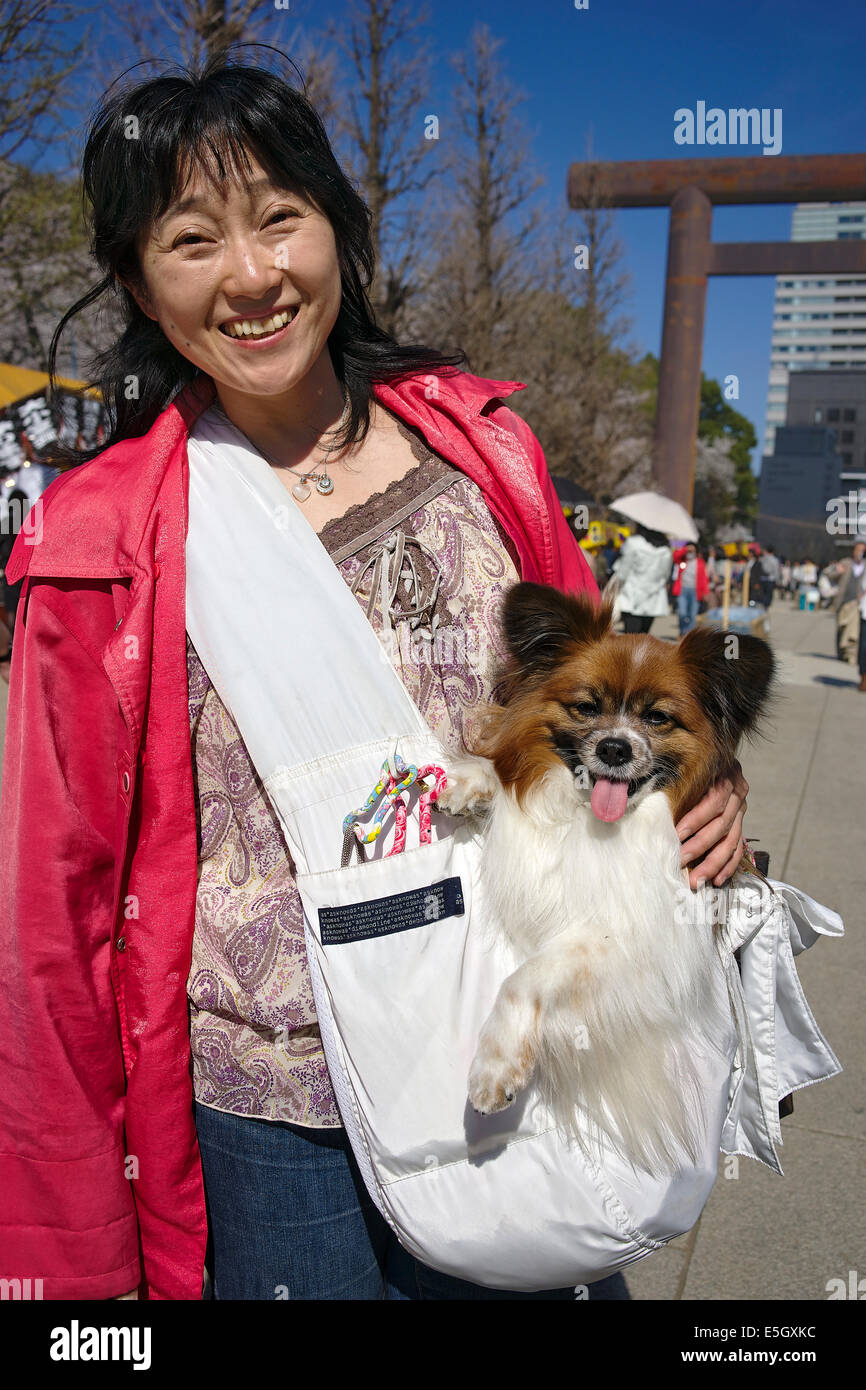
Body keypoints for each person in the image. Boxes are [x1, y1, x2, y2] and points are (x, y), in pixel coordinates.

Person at [0, 54, 751, 1302]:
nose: (251, 276)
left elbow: (613, 692)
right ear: (137, 276)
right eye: (191, 239)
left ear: (336, 232)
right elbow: (51, 918)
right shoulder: (104, 542)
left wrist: (698, 785)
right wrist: (71, 1256)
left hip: (520, 1034)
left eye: (280, 218)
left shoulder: (478, 445)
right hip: (277, 1115)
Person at [611, 523, 672, 633]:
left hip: (632, 596)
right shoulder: (666, 549)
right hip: (653, 599)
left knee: (630, 637)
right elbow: (666, 575)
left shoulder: (634, 543)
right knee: (643, 637)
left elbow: (623, 573)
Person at [832, 541, 866, 664]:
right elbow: (830, 575)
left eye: (863, 550)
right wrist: (838, 571)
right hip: (842, 600)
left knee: (853, 630)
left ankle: (851, 654)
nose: (860, 553)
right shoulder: (845, 563)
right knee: (841, 627)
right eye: (858, 550)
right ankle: (840, 653)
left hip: (857, 603)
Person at [671, 541, 709, 635]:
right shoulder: (682, 560)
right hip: (682, 590)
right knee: (682, 613)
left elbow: (704, 578)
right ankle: (682, 632)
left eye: (692, 550)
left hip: (695, 592)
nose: (690, 552)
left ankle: (688, 636)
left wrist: (705, 592)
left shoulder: (700, 563)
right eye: (688, 550)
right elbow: (675, 555)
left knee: (692, 615)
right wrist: (686, 549)